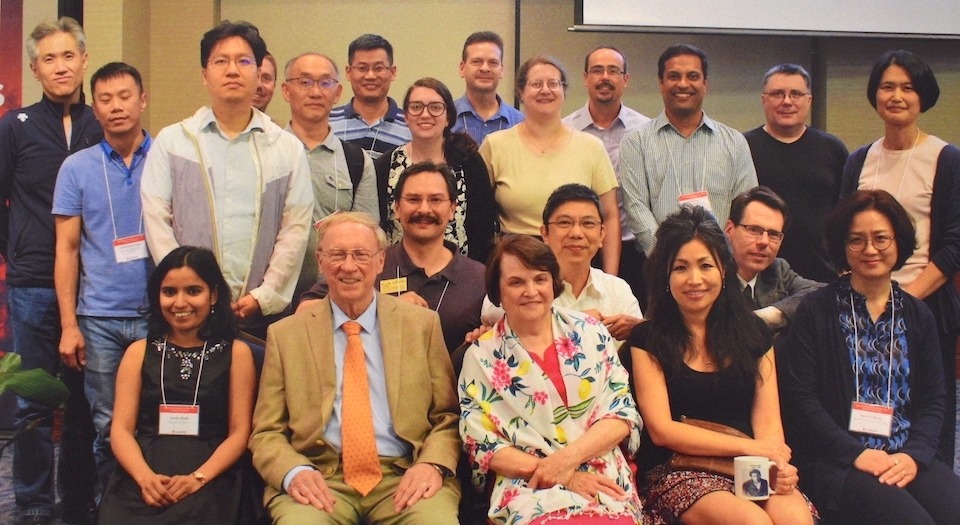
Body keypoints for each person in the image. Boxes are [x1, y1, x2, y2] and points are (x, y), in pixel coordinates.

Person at [249, 212, 461, 524]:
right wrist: (293, 472)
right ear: (320, 262)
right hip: (320, 477)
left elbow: (448, 417)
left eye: (360, 255)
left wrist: (432, 463)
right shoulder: (285, 335)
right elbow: (267, 431)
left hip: (405, 473)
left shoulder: (421, 325)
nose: (348, 266)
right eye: (337, 255)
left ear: (380, 262)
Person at [778, 189, 960, 525]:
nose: (870, 249)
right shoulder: (816, 311)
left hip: (904, 452)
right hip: (838, 459)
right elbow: (801, 400)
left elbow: (935, 400)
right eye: (857, 240)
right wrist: (856, 453)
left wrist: (915, 456)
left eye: (881, 238)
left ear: (898, 242)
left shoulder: (919, 315)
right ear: (843, 247)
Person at [627, 205, 814, 525]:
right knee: (752, 522)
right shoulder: (647, 338)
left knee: (795, 520)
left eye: (705, 265)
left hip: (751, 466)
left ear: (723, 271)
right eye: (681, 268)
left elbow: (769, 425)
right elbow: (663, 431)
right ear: (665, 277)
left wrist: (778, 463)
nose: (695, 279)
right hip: (679, 469)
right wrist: (757, 448)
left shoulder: (754, 334)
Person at [141, 20, 312, 339]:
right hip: (188, 316)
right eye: (221, 61)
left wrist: (265, 295)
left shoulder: (285, 147)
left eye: (243, 61)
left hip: (261, 317)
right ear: (205, 74)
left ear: (259, 73)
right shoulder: (175, 142)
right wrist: (189, 291)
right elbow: (156, 222)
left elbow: (295, 228)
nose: (232, 70)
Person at [459, 234, 643, 525]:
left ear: (553, 283)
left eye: (540, 279)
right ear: (497, 290)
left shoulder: (591, 332)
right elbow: (483, 444)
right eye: (517, 282)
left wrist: (566, 463)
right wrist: (562, 475)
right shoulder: (481, 356)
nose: (531, 291)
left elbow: (620, 413)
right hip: (527, 483)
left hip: (601, 474)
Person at [0, 16, 102, 524]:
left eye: (69, 56)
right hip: (34, 284)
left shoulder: (102, 121)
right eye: (49, 59)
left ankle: (83, 497)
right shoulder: (14, 127)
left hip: (96, 285)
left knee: (89, 401)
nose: (60, 67)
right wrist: (14, 252)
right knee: (34, 402)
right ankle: (35, 501)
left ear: (84, 61)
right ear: (36, 70)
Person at [840, 50, 960, 467]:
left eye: (908, 87)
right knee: (863, 399)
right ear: (875, 95)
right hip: (861, 305)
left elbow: (953, 244)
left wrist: (904, 302)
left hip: (925, 305)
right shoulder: (859, 159)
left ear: (923, 95)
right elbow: (844, 234)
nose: (897, 95)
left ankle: (929, 474)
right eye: (887, 86)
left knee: (927, 406)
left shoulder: (947, 159)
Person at [98, 246, 256, 524]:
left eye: (193, 291)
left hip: (213, 472)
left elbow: (240, 433)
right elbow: (120, 429)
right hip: (144, 470)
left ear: (214, 295)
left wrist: (198, 478)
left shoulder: (237, 353)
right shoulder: (138, 352)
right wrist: (144, 478)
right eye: (169, 292)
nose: (179, 303)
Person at [52, 62, 152, 492]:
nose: (116, 107)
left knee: (163, 420)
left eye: (125, 96)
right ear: (94, 108)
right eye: (105, 99)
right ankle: (114, 510)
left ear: (143, 100)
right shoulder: (76, 168)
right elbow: (68, 249)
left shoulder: (169, 156)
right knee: (109, 425)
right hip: (100, 319)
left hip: (163, 313)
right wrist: (69, 325)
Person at [299, 162, 486, 352]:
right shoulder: (369, 262)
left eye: (435, 200)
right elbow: (305, 313)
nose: (424, 209)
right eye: (413, 199)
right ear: (396, 208)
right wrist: (383, 310)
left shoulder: (480, 278)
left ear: (453, 209)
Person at [480, 55, 621, 274]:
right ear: (521, 92)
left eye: (553, 84)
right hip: (516, 264)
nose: (545, 90)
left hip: (575, 261)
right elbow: (478, 215)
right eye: (536, 84)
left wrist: (611, 278)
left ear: (564, 91)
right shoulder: (495, 145)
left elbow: (610, 215)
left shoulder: (592, 147)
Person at [620, 44, 757, 258]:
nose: (683, 84)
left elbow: (746, 211)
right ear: (661, 83)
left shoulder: (734, 142)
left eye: (692, 76)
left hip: (721, 266)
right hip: (659, 266)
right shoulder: (636, 142)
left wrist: (717, 258)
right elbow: (636, 209)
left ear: (705, 84)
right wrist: (671, 258)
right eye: (674, 76)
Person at [481, 184, 642, 343]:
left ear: (602, 234)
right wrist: (578, 322)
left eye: (588, 223)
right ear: (545, 233)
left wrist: (639, 330)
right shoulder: (525, 288)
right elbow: (490, 316)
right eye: (564, 223)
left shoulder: (618, 291)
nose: (576, 233)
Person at [280, 52, 378, 307]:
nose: (315, 92)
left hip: (334, 300)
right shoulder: (266, 153)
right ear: (286, 91)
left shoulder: (356, 160)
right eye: (305, 82)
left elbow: (367, 237)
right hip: (272, 299)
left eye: (325, 83)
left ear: (337, 93)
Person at [744, 64, 848, 283]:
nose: (787, 101)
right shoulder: (742, 147)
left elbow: (847, 213)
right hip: (758, 278)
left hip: (823, 276)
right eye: (777, 94)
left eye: (796, 94)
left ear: (809, 101)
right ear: (764, 99)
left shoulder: (833, 149)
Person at [376, 77, 496, 264]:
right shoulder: (387, 164)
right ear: (406, 116)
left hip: (458, 273)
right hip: (398, 274)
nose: (425, 114)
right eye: (416, 107)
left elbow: (483, 227)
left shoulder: (468, 161)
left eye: (435, 107)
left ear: (448, 117)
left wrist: (475, 276)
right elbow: (379, 227)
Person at [563, 46, 650, 300]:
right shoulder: (566, 130)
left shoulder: (645, 131)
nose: (605, 77)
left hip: (634, 249)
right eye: (597, 70)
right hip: (578, 245)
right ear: (585, 78)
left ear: (625, 79)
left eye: (613, 71)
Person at [724, 186, 822, 332]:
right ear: (729, 230)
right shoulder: (711, 273)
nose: (764, 242)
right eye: (754, 230)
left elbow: (820, 293)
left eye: (773, 234)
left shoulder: (777, 270)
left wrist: (771, 315)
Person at [330, 34, 411, 159]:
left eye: (378, 68)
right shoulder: (328, 122)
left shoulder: (410, 125)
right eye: (362, 68)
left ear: (393, 72)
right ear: (348, 72)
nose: (370, 76)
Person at [452, 31, 524, 146]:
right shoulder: (445, 118)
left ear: (502, 70)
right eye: (477, 62)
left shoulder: (520, 123)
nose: (485, 68)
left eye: (493, 62)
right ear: (462, 68)